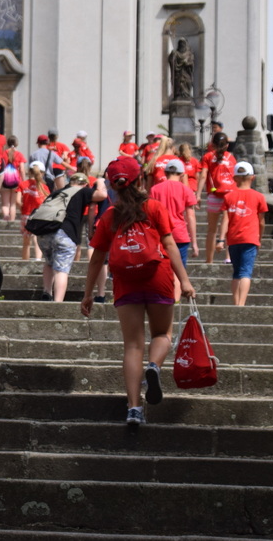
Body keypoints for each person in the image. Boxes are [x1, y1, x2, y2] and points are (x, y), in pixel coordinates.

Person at [81, 156, 195, 425]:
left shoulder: (109, 216)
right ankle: (154, 366)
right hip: (158, 277)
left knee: (132, 346)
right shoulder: (154, 207)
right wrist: (185, 281)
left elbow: (97, 259)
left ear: (112, 186)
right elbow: (170, 245)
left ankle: (133, 408)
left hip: (126, 281)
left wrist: (88, 294)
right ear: (141, 179)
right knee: (162, 334)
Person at [37, 172, 107, 301]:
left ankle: (47, 292)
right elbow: (102, 195)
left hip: (44, 233)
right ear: (85, 184)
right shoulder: (82, 191)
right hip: (64, 233)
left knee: (49, 262)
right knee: (61, 269)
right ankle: (57, 302)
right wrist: (101, 181)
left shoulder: (57, 193)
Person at [217, 162, 268, 307]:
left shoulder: (228, 197)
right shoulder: (259, 197)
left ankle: (236, 303)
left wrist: (221, 240)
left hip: (233, 239)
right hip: (250, 238)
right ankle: (241, 304)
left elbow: (225, 219)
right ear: (252, 177)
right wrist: (259, 238)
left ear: (235, 178)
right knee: (246, 272)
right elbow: (261, 222)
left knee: (236, 272)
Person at [150, 159, 199, 295]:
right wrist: (194, 242)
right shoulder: (186, 190)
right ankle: (175, 300)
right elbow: (191, 216)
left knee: (162, 268)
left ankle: (164, 297)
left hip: (160, 234)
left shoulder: (155, 189)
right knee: (178, 269)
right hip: (180, 233)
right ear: (182, 174)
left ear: (165, 173)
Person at [197, 131, 236, 264]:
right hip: (230, 194)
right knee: (229, 226)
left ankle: (209, 260)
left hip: (214, 194)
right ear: (227, 145)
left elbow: (203, 175)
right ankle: (228, 257)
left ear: (212, 144)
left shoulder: (208, 156)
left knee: (211, 230)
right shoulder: (231, 157)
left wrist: (198, 194)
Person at [17, 160, 50, 260]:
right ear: (42, 173)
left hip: (26, 214)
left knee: (26, 241)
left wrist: (22, 208)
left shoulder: (23, 184)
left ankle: (25, 261)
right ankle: (38, 259)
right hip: (40, 215)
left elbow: (17, 201)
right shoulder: (44, 187)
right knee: (37, 239)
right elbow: (47, 201)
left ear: (29, 171)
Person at [0, 135, 24, 222]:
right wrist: (23, 181)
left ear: (7, 143)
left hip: (5, 180)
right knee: (13, 204)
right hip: (16, 181)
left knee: (5, 204)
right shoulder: (19, 154)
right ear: (16, 144)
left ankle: (6, 216)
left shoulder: (3, 154)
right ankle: (12, 221)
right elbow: (22, 169)